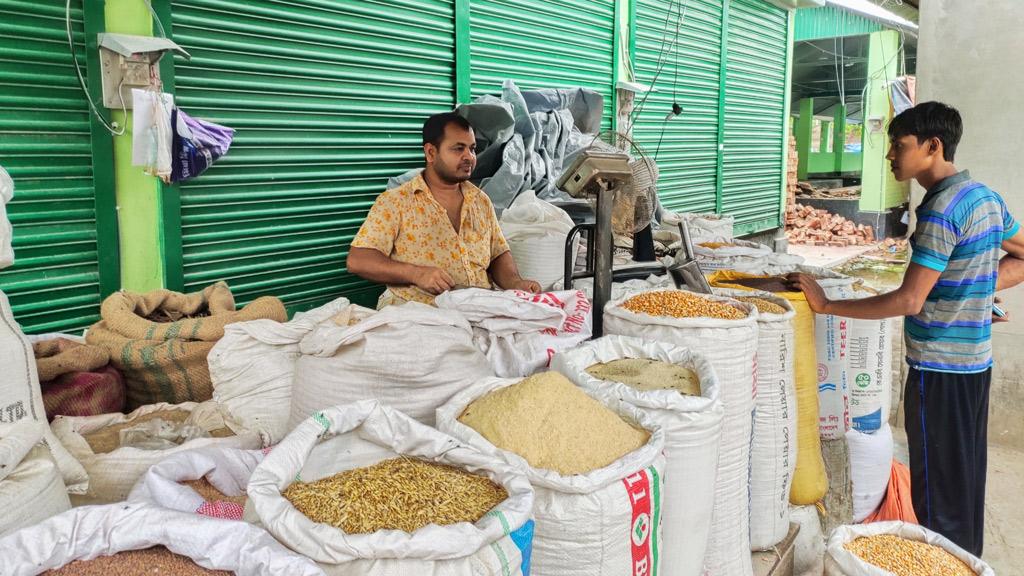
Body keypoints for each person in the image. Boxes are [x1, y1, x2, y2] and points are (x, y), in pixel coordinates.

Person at [789, 101, 1024, 557]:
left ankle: (940, 566)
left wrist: (827, 303)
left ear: (933, 147)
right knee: (963, 488)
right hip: (975, 370)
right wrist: (971, 293)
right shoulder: (984, 198)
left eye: (899, 146)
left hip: (938, 373)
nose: (891, 157)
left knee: (936, 500)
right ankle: (964, 564)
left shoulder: (940, 210)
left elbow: (909, 299)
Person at [347, 112, 540, 308]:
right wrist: (416, 273)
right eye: (458, 149)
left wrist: (516, 283)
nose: (469, 157)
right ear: (431, 153)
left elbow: (498, 254)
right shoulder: (396, 202)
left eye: (472, 149)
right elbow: (358, 260)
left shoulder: (480, 201)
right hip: (417, 313)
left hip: (479, 310)